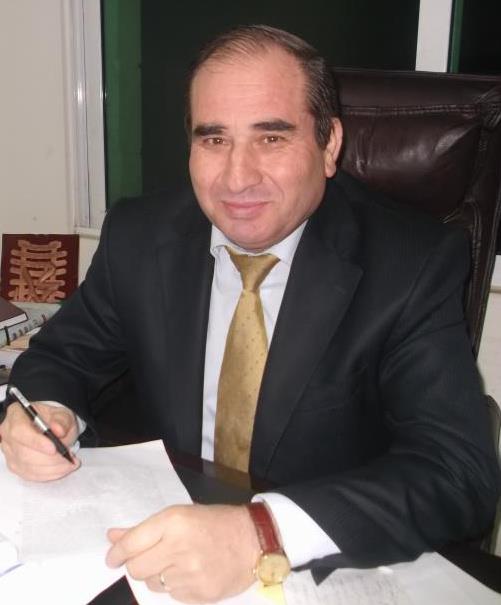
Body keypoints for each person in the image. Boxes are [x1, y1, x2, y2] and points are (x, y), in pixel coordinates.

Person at [0, 24, 499, 604]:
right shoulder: (140, 235)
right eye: (214, 139)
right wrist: (45, 414)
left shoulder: (411, 264)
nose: (237, 178)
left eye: (271, 138)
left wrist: (261, 531)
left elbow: (458, 473)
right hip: (158, 544)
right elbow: (62, 355)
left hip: (317, 569)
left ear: (329, 145)